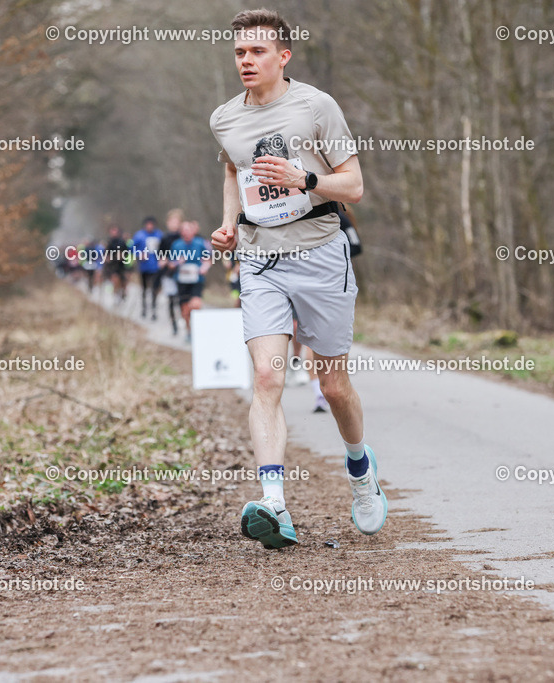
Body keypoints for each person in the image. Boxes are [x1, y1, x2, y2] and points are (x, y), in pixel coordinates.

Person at [209, 8, 386, 549]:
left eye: (257, 51)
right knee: (266, 377)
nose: (246, 60)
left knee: (332, 385)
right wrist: (228, 224)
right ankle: (274, 504)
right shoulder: (223, 118)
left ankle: (361, 470)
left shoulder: (315, 106)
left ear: (282, 56)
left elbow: (353, 186)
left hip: (320, 253)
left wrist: (304, 178)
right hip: (261, 260)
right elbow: (233, 169)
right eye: (239, 52)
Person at [171, 219, 210, 343]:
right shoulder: (176, 245)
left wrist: (204, 267)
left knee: (196, 305)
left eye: (188, 230)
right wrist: (177, 262)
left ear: (193, 231)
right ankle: (189, 330)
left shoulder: (200, 243)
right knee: (185, 309)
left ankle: (198, 329)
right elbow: (170, 264)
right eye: (184, 230)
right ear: (181, 232)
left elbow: (208, 260)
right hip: (182, 281)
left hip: (196, 279)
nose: (186, 233)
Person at [158, 209, 184, 336]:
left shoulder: (184, 236)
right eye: (172, 221)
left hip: (182, 273)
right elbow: (160, 257)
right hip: (168, 274)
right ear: (168, 223)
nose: (174, 224)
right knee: (171, 300)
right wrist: (168, 262)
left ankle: (183, 321)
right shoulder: (164, 238)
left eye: (176, 221)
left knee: (182, 299)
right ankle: (174, 324)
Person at [132, 216, 163, 319]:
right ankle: (144, 308)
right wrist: (139, 254)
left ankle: (154, 309)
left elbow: (165, 248)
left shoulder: (159, 235)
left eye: (151, 224)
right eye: (148, 224)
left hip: (156, 267)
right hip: (144, 267)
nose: (149, 226)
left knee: (154, 289)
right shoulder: (139, 235)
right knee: (144, 289)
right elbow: (131, 249)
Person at [103, 224, 128, 302]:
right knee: (114, 279)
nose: (114, 232)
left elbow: (126, 253)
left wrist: (121, 256)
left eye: (115, 231)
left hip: (121, 264)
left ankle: (122, 293)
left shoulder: (122, 242)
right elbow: (105, 254)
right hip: (111, 265)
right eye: (112, 230)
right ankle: (115, 294)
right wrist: (108, 258)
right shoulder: (108, 242)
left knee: (124, 281)